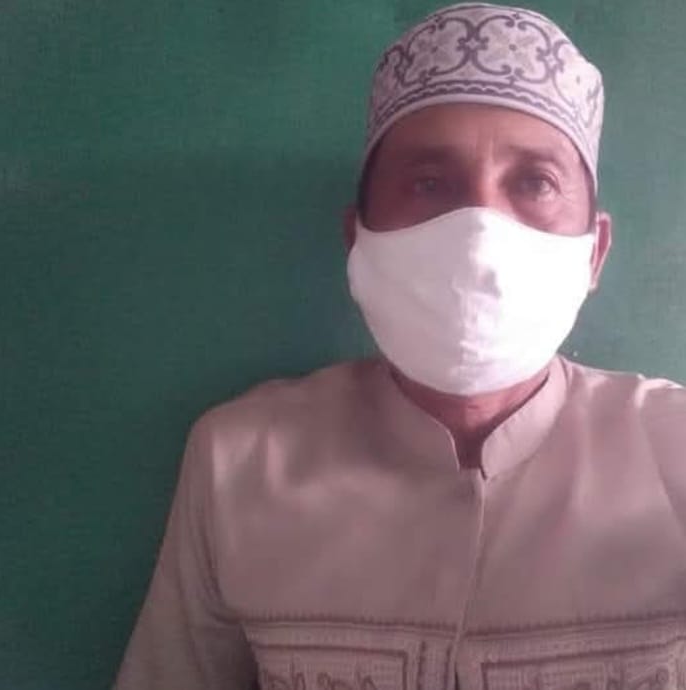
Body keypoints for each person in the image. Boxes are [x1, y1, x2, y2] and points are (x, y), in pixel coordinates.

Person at [114, 3, 686, 689]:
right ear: (358, 238)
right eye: (428, 183)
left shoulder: (674, 450)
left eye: (535, 183)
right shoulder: (239, 460)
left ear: (593, 253)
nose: (478, 233)